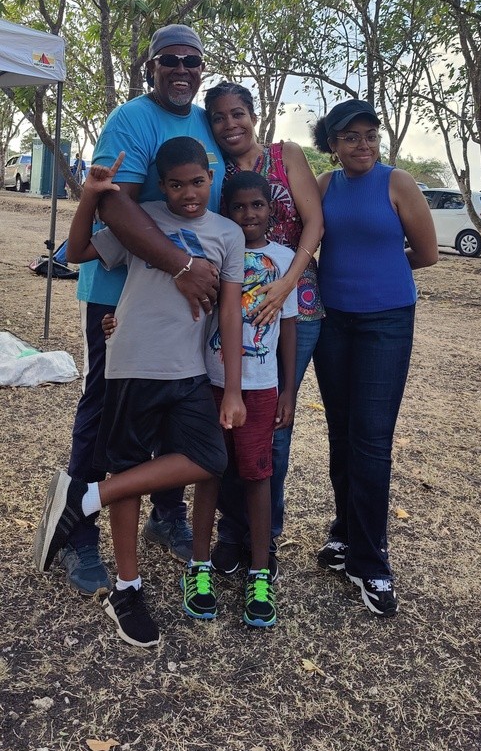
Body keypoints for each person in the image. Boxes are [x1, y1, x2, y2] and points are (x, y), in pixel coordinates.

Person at [34, 138, 245, 648]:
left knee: (210, 458)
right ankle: (126, 589)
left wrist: (234, 389)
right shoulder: (142, 219)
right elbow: (78, 252)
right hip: (131, 363)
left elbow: (231, 312)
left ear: (211, 178)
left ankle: (86, 497)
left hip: (190, 370)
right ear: (161, 185)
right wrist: (91, 195)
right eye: (176, 184)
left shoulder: (228, 233)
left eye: (197, 182)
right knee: (127, 469)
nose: (188, 193)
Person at [57, 24, 226, 596]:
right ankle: (77, 532)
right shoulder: (130, 119)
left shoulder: (204, 122)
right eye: (168, 60)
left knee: (178, 403)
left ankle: (167, 514)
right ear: (151, 67)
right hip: (121, 292)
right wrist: (182, 265)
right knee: (106, 410)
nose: (181, 69)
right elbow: (114, 206)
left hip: (186, 300)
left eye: (192, 61)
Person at [312, 99, 438, 617]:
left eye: (370, 135)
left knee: (371, 439)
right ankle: (345, 533)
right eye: (350, 137)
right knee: (341, 433)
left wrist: (381, 266)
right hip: (332, 322)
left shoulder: (398, 183)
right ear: (333, 144)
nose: (362, 145)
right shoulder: (324, 185)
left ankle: (372, 561)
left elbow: (426, 254)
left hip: (386, 322)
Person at [203, 82, 324, 577]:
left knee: (273, 428)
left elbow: (315, 223)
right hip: (234, 314)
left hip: (296, 306)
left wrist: (286, 283)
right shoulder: (216, 171)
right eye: (219, 118)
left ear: (254, 115)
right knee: (230, 430)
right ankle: (232, 535)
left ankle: (264, 540)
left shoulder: (285, 155)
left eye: (238, 113)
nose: (230, 124)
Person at [202, 172, 297, 627]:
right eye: (238, 207)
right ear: (226, 211)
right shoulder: (217, 250)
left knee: (258, 473)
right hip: (210, 380)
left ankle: (260, 567)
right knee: (210, 469)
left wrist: (289, 388)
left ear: (270, 209)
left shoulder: (285, 259)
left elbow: (290, 327)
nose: (248, 214)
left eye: (257, 205)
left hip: (261, 386)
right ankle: (206, 557)